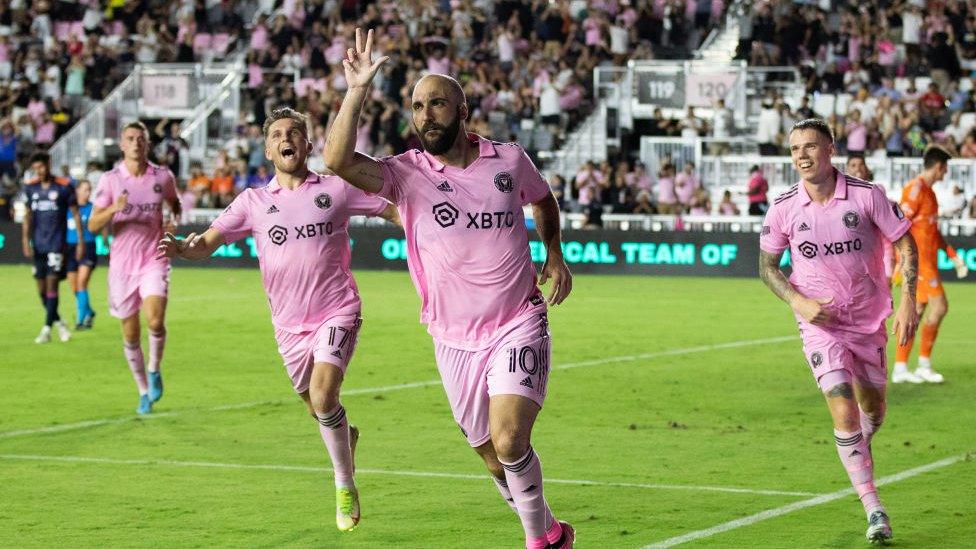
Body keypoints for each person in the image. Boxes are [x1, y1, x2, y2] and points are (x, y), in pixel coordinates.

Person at [324, 29, 575, 549]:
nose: (426, 114)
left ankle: (535, 542)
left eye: (437, 103)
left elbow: (543, 200)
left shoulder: (508, 160)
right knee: (488, 450)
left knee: (510, 439)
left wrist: (553, 251)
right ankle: (551, 530)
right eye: (418, 106)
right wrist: (356, 91)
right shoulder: (404, 174)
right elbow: (337, 161)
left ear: (463, 112)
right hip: (452, 336)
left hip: (516, 320)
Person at [158, 107, 399, 532]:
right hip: (288, 326)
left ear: (308, 144)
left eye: (295, 133)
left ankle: (344, 484)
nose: (287, 139)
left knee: (325, 397)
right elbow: (208, 243)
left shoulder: (337, 189)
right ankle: (346, 436)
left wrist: (432, 232)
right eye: (278, 134)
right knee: (317, 408)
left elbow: (392, 210)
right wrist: (183, 248)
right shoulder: (252, 202)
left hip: (337, 310)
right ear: (268, 148)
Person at [758, 119, 919, 544]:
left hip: (869, 322)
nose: (802, 156)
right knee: (843, 411)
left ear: (831, 149)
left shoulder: (867, 197)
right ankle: (874, 509)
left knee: (874, 410)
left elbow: (905, 241)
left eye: (811, 146)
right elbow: (767, 268)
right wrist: (799, 301)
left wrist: (908, 300)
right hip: (821, 326)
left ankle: (856, 449)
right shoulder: (784, 208)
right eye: (795, 149)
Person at [88, 121, 182, 415]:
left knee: (154, 321)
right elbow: (92, 225)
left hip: (154, 258)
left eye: (141, 138)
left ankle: (154, 369)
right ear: (121, 144)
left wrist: (171, 220)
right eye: (130, 138)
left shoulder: (162, 176)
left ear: (147, 144)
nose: (136, 143)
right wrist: (113, 210)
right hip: (122, 266)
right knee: (130, 334)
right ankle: (143, 390)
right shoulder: (110, 180)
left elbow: (174, 205)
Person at [892, 147, 969, 383]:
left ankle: (901, 368)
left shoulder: (931, 194)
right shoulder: (914, 190)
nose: (945, 173)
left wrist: (953, 256)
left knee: (916, 313)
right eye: (945, 168)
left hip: (929, 263)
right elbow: (898, 227)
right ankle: (922, 364)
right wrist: (900, 261)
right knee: (940, 307)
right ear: (938, 166)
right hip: (919, 265)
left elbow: (933, 232)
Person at [21, 152, 83, 343]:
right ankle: (60, 323)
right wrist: (25, 240)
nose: (38, 171)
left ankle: (46, 329)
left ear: (48, 164)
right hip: (39, 245)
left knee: (52, 285)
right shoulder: (30, 188)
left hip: (57, 245)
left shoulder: (64, 186)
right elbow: (27, 216)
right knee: (41, 290)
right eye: (35, 169)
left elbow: (75, 213)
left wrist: (80, 241)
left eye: (41, 167)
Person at [66, 179, 98, 329]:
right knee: (74, 287)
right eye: (84, 189)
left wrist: (104, 241)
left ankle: (80, 320)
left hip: (88, 247)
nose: (87, 193)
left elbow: (100, 227)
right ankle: (89, 311)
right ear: (77, 190)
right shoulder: (68, 208)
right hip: (70, 248)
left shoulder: (93, 208)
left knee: (82, 283)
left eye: (89, 190)